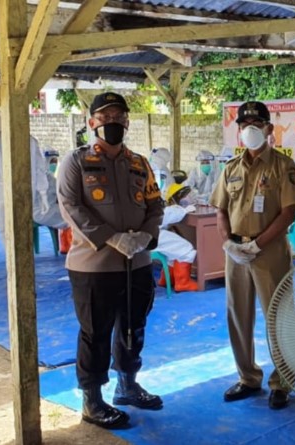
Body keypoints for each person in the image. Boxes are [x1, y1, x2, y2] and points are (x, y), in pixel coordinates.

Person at [57, 92, 164, 429]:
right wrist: (111, 237)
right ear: (92, 123)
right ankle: (92, 400)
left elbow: (155, 204)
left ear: (128, 122)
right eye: (105, 117)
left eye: (119, 116)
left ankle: (127, 386)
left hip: (137, 263)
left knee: (134, 327)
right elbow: (70, 206)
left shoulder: (139, 163)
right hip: (94, 265)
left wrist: (146, 235)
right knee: (95, 332)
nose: (112, 122)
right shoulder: (76, 161)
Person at [211, 101, 295, 410]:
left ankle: (282, 382)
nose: (250, 130)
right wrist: (228, 243)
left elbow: (289, 211)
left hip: (269, 251)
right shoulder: (231, 168)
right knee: (238, 315)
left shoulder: (282, 166)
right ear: (238, 131)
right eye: (244, 125)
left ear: (268, 128)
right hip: (236, 252)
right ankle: (248, 378)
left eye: (256, 124)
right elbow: (220, 209)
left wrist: (258, 244)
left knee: (279, 316)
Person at [0, 114, 54, 246]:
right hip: (26, 189)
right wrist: (43, 193)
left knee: (4, 228)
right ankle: (23, 259)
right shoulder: (30, 140)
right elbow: (40, 169)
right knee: (23, 226)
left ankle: (13, 260)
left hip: (2, 193)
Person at [153, 183, 200, 292]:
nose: (186, 200)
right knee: (186, 248)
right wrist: (184, 210)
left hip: (147, 235)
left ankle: (166, 279)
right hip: (152, 235)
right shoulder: (170, 208)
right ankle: (183, 283)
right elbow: (168, 214)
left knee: (173, 250)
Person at [41, 147, 72, 253]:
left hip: (49, 209)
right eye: (51, 161)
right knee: (73, 218)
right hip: (46, 211)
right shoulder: (47, 179)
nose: (54, 164)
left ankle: (65, 247)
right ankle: (69, 247)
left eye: (55, 161)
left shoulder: (48, 177)